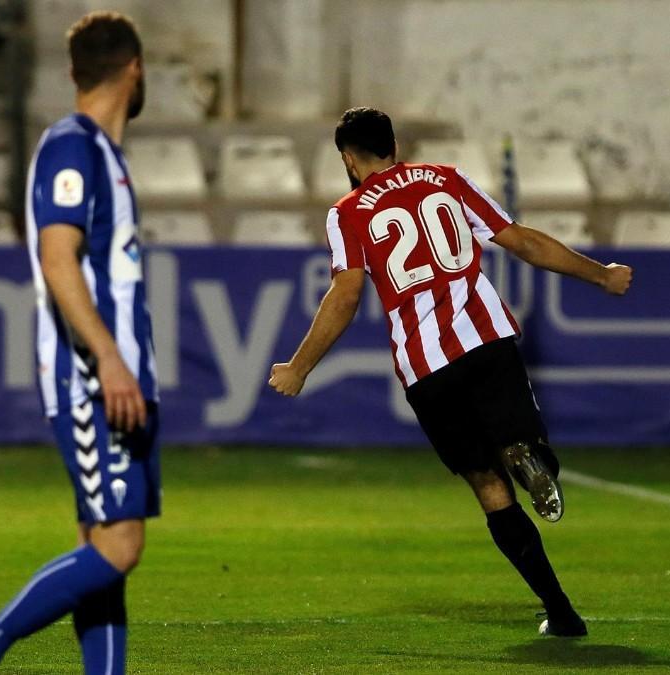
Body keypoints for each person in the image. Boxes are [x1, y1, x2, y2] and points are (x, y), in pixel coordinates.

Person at [268, 107, 633, 638]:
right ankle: (527, 454)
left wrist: (299, 367)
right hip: (486, 340)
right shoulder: (446, 179)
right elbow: (522, 241)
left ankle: (560, 610)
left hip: (427, 367)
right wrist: (601, 274)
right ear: (394, 145)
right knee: (524, 441)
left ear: (347, 158)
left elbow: (345, 295)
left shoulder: (346, 213)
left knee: (487, 485)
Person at [0, 11, 158, 675]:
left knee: (102, 549)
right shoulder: (73, 146)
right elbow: (58, 258)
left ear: (74, 71)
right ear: (135, 69)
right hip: (92, 378)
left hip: (115, 376)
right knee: (119, 545)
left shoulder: (103, 154)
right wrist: (110, 358)